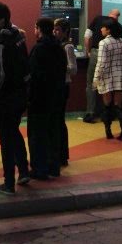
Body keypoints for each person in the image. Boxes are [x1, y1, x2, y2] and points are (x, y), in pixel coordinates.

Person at [0, 2, 31, 196]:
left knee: (6, 140)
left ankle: (9, 183)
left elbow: (2, 74)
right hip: (20, 96)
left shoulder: (3, 42)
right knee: (14, 133)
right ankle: (24, 171)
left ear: (1, 20)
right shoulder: (17, 36)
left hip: (6, 100)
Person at [27, 17, 66, 180]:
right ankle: (53, 166)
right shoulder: (59, 48)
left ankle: (39, 169)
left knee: (37, 135)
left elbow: (33, 74)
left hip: (39, 98)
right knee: (53, 132)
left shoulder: (38, 48)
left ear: (39, 29)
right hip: (56, 96)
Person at [93, 16, 122, 140]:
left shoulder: (103, 43)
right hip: (120, 77)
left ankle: (108, 131)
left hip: (106, 77)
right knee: (118, 105)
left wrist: (96, 79)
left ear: (109, 30)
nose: (101, 29)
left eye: (103, 27)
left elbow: (101, 63)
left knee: (107, 105)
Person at [53, 18, 77, 170]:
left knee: (59, 120)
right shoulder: (58, 45)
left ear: (65, 31)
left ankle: (62, 155)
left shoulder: (67, 47)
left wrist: (59, 65)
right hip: (58, 84)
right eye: (54, 29)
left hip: (63, 85)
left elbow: (73, 69)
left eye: (57, 30)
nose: (55, 32)